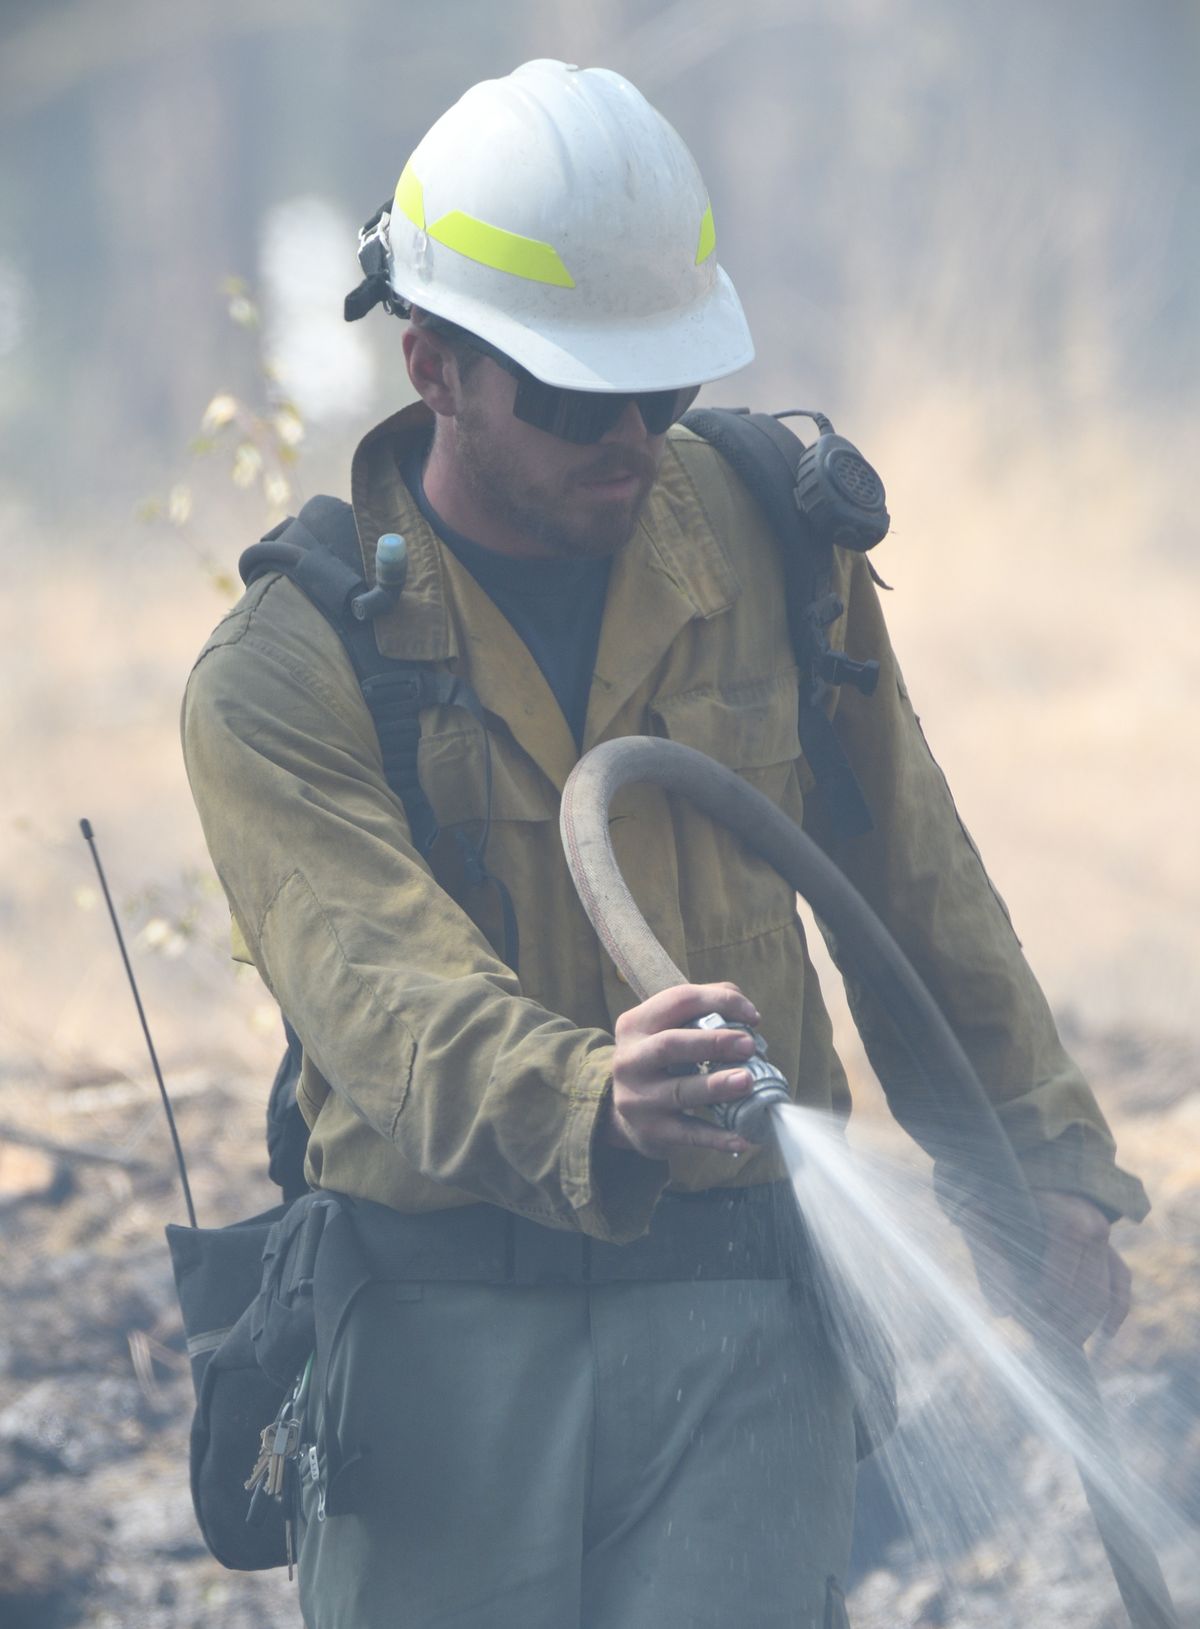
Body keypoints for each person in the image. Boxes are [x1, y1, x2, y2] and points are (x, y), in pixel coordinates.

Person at [182, 59, 1148, 1629]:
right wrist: (592, 1096)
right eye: (573, 397)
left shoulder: (775, 541)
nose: (630, 436)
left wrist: (1036, 1163)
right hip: (444, 1365)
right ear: (430, 363)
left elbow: (914, 878)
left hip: (747, 1322)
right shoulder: (284, 673)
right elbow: (384, 1005)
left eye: (667, 389)